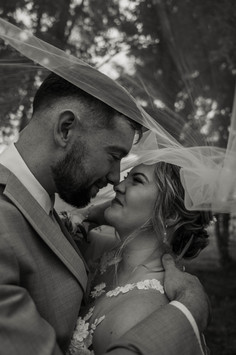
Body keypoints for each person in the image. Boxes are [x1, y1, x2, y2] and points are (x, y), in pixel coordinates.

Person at [0, 73, 209, 355]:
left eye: (134, 178)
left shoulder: (36, 206)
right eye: (113, 156)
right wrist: (188, 310)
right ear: (65, 129)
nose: (114, 179)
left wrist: (87, 217)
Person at [68, 162, 211, 355]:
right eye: (127, 176)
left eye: (137, 180)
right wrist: (86, 214)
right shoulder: (107, 257)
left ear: (170, 215)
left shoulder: (139, 315)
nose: (117, 186)